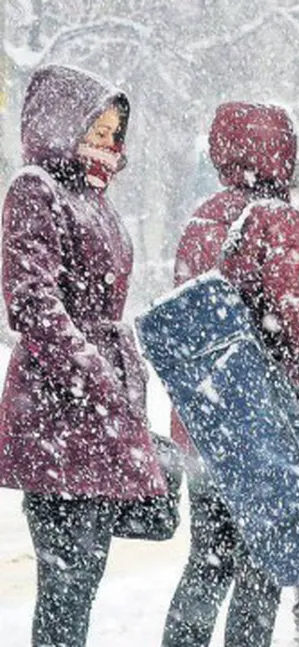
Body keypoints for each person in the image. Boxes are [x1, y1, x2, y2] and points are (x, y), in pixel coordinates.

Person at [163, 102, 299, 647]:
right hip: (263, 428)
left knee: (207, 563)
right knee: (261, 568)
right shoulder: (277, 218)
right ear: (281, 152)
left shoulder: (201, 218)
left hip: (204, 425)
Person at [0, 64, 167, 647]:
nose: (106, 145)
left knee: (83, 580)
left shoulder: (94, 198)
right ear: (60, 123)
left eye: (112, 135)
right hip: (58, 411)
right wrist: (95, 378)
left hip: (96, 413)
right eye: (95, 131)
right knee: (65, 586)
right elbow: (32, 303)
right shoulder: (36, 189)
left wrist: (120, 389)